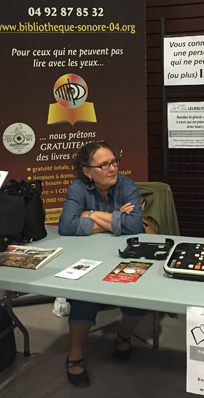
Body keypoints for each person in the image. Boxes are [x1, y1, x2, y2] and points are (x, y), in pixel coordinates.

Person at [58, 141, 145, 387]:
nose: (112, 168)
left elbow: (135, 226)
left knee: (138, 296)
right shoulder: (78, 188)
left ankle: (123, 337)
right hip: (89, 257)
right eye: (104, 164)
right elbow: (65, 227)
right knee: (84, 298)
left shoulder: (126, 184)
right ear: (88, 171)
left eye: (114, 162)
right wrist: (116, 219)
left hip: (124, 257)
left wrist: (90, 214)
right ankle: (75, 355)